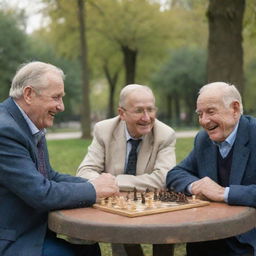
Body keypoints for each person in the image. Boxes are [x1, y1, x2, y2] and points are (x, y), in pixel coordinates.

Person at [0, 61, 119, 256]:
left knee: (90, 249)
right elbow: (40, 193)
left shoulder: (28, 123)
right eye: (56, 97)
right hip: (13, 239)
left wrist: (94, 183)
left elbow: (49, 175)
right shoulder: (5, 131)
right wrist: (93, 189)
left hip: (32, 230)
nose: (61, 106)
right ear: (29, 94)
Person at [77, 83, 176, 256]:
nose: (147, 118)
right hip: (117, 207)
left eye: (150, 110)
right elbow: (85, 172)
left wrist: (113, 182)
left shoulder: (165, 134)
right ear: (122, 113)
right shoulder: (104, 130)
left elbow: (162, 179)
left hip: (154, 208)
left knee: (165, 237)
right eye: (139, 111)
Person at [166, 82, 256, 256]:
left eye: (210, 111)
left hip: (248, 240)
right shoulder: (203, 139)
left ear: (235, 109)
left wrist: (223, 193)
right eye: (200, 114)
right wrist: (195, 186)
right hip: (207, 238)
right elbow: (175, 174)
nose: (204, 121)